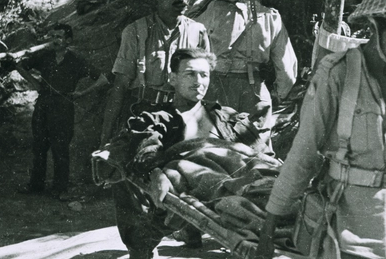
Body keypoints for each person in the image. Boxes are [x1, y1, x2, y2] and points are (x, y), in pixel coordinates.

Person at [256, 0, 386, 259]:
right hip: (346, 228)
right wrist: (269, 227)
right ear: (374, 28)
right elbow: (304, 152)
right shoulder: (338, 75)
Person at [111, 48, 270, 259]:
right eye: (190, 74)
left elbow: (260, 154)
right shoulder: (159, 118)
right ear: (173, 78)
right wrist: (156, 173)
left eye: (204, 75)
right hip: (211, 185)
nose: (198, 81)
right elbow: (146, 147)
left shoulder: (225, 116)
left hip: (246, 179)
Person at [99, 0, 211, 148]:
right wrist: (106, 138)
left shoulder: (197, 32)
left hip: (182, 118)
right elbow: (120, 87)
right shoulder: (135, 32)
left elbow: (204, 85)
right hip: (142, 117)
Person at [192, 0, 299, 136]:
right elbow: (287, 70)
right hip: (254, 90)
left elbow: (190, 38)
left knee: (212, 148)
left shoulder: (215, 8)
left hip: (215, 86)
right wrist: (279, 94)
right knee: (257, 151)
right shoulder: (272, 17)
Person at [15, 23, 108, 199]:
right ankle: (36, 186)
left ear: (68, 40)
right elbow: (20, 66)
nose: (55, 40)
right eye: (53, 37)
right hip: (42, 106)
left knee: (60, 149)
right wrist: (34, 83)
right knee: (39, 147)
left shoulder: (76, 61)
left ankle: (60, 189)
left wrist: (82, 93)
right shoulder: (44, 56)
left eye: (59, 37)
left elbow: (102, 79)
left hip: (63, 109)